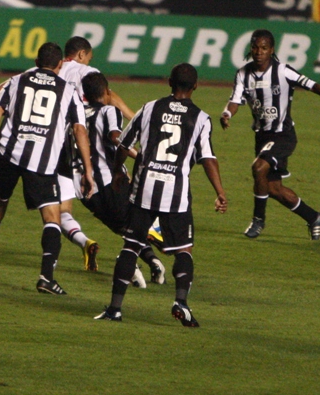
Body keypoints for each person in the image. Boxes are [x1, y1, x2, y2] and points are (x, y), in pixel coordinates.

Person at [95, 63, 228, 326]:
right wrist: (220, 192)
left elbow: (123, 143)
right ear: (196, 86)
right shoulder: (201, 118)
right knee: (184, 251)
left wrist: (117, 171)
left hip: (144, 187)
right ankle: (181, 302)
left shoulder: (149, 108)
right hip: (175, 193)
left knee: (131, 246)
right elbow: (208, 158)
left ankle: (114, 309)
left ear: (169, 82)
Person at [0, 42, 94, 296]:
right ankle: (46, 278)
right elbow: (80, 130)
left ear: (37, 62)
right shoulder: (68, 91)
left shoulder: (17, 81)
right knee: (52, 218)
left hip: (7, 155)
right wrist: (88, 170)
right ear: (60, 65)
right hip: (42, 162)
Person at [220, 29, 320, 241]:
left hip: (283, 135)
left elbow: (314, 85)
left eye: (264, 48)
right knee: (273, 189)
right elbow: (235, 100)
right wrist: (227, 113)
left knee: (258, 168)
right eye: (255, 47)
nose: (259, 52)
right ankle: (314, 218)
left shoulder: (283, 71)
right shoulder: (243, 74)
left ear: (271, 50)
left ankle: (258, 220)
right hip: (262, 137)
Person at [80, 71, 166, 286]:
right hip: (110, 181)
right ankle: (131, 266)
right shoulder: (109, 111)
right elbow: (115, 137)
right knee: (136, 223)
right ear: (107, 92)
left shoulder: (76, 113)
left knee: (123, 227)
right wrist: (136, 154)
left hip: (83, 188)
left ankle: (153, 262)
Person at [55, 36, 134, 272]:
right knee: (120, 210)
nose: (89, 60)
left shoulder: (55, 71)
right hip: (89, 151)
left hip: (58, 149)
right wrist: (135, 117)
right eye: (89, 56)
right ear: (81, 55)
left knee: (60, 211)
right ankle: (142, 253)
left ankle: (81, 242)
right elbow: (108, 96)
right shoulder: (87, 72)